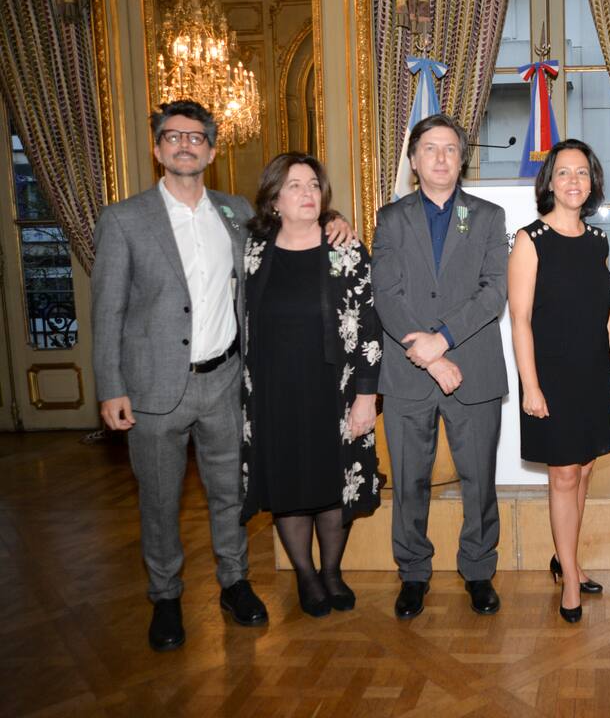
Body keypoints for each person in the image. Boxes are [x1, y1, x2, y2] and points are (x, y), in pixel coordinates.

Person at [91, 100, 352, 651]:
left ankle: (234, 583)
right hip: (153, 387)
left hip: (226, 382)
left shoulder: (236, 214)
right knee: (159, 501)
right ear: (158, 148)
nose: (184, 145)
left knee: (230, 494)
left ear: (211, 151)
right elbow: (107, 310)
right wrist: (111, 386)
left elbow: (293, 230)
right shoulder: (124, 219)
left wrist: (331, 218)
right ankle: (166, 597)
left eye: (195, 137)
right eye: (173, 136)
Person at [372, 113, 508, 619]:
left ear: (462, 158)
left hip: (473, 368)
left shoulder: (488, 216)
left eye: (451, 148)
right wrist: (430, 357)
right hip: (408, 374)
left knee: (479, 480)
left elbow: (494, 290)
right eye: (430, 148)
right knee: (409, 480)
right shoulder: (390, 219)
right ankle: (413, 573)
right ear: (413, 159)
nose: (441, 157)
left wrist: (443, 341)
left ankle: (479, 570)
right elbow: (386, 294)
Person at [238, 152, 384, 618]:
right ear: (274, 199)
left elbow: (369, 325)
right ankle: (305, 574)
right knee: (289, 486)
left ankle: (332, 572)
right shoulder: (251, 250)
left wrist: (366, 396)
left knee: (334, 482)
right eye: (295, 186)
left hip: (334, 393)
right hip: (273, 395)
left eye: (314, 186)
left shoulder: (345, 248)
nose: (307, 193)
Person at [508, 139, 610, 623]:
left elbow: (605, 310)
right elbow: (520, 320)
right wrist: (531, 386)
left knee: (586, 469)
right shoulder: (530, 239)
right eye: (564, 172)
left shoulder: (597, 241)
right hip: (550, 374)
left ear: (592, 182)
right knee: (564, 474)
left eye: (582, 172)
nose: (574, 180)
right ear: (550, 181)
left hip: (591, 371)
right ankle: (570, 578)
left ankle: (566, 558)